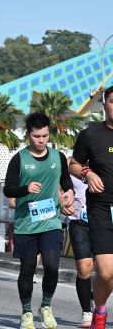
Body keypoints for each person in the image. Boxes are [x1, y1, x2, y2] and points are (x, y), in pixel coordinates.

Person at [4, 112, 74, 329]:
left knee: (52, 266)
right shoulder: (19, 159)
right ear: (28, 134)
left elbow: (65, 180)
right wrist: (25, 189)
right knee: (28, 269)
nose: (41, 140)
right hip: (27, 224)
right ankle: (26, 311)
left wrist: (69, 192)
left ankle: (46, 306)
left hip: (51, 221)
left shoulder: (58, 157)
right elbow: (8, 189)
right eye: (36, 136)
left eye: (44, 136)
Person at [70, 86, 113, 329]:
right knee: (106, 273)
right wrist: (87, 173)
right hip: (101, 208)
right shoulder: (91, 134)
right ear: (104, 104)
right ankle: (100, 309)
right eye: (112, 101)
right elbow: (73, 164)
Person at [63, 159, 94, 328]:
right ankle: (86, 311)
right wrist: (62, 203)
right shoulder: (70, 166)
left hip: (104, 222)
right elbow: (57, 188)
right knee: (84, 267)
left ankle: (94, 295)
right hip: (78, 222)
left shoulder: (105, 163)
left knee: (107, 271)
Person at [9, 197, 41, 283]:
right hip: (24, 223)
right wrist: (27, 206)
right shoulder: (19, 189)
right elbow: (11, 203)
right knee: (26, 254)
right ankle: (26, 271)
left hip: (38, 219)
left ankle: (33, 273)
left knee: (38, 249)